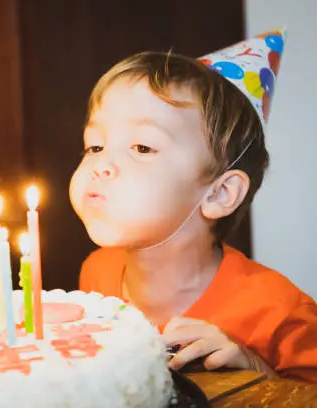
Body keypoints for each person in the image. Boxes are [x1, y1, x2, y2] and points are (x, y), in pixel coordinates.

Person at [70, 30, 317, 382]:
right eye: (95, 146)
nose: (101, 164)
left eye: (142, 147)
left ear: (219, 194)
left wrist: (256, 372)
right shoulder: (95, 274)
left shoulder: (282, 314)